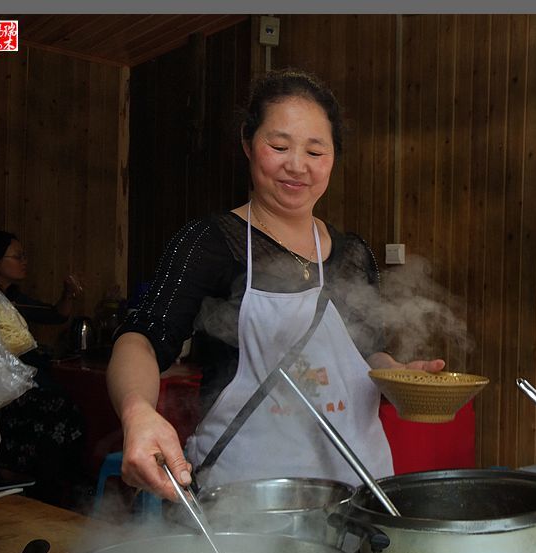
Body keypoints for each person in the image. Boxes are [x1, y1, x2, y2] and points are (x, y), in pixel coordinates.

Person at [108, 68, 444, 500]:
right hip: (246, 503)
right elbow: (141, 339)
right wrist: (137, 412)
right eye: (279, 146)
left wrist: (398, 376)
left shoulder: (353, 253)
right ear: (248, 144)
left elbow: (366, 354)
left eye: (316, 151)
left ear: (334, 158)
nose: (297, 166)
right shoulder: (209, 244)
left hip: (359, 491)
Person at [0, 228, 87, 507]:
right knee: (58, 409)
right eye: (17, 256)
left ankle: (56, 487)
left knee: (65, 409)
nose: (24, 261)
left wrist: (68, 294)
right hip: (4, 383)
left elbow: (55, 315)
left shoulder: (13, 298)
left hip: (29, 375)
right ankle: (40, 485)